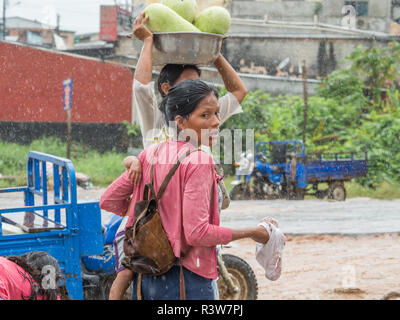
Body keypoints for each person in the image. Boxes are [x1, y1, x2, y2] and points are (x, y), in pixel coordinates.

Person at [107, 11, 248, 299]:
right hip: (155, 227)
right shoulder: (159, 121)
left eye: (201, 88)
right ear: (168, 92)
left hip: (189, 222)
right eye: (188, 87)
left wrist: (214, 54)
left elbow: (238, 90)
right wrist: (147, 42)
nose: (213, 118)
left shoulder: (203, 115)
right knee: (127, 272)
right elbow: (140, 87)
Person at [100, 79, 269, 300]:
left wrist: (150, 217)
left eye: (217, 113)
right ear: (180, 122)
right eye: (205, 115)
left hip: (148, 276)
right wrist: (253, 233)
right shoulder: (198, 161)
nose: (217, 121)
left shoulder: (150, 154)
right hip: (187, 279)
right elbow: (197, 233)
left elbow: (109, 200)